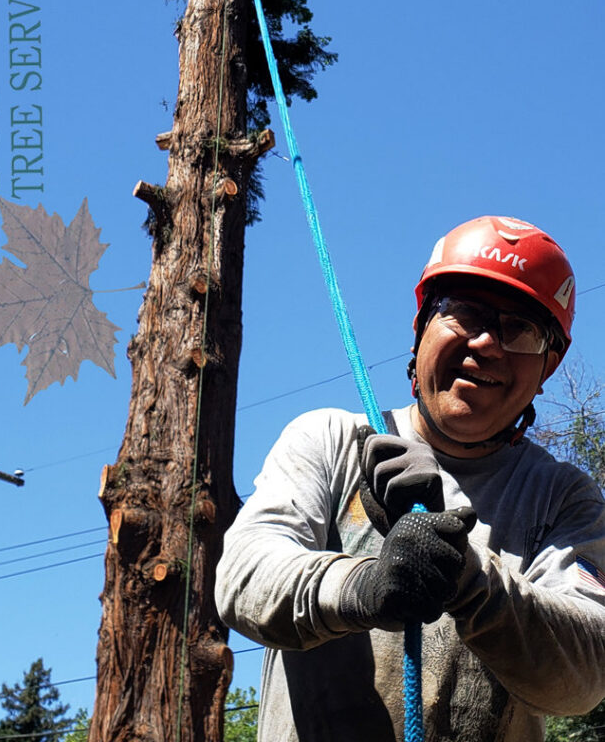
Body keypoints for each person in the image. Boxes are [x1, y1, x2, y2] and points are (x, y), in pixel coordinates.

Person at [215, 215, 605, 742]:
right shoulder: (330, 441)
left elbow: (585, 676)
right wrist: (365, 585)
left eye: (522, 329)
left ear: (547, 368)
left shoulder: (563, 498)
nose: (488, 342)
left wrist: (467, 578)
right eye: (465, 311)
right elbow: (243, 578)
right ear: (421, 325)